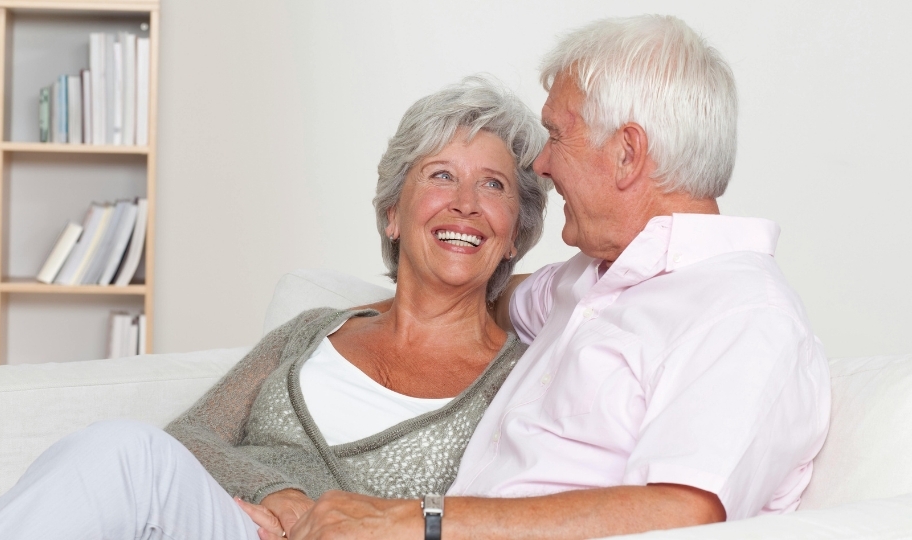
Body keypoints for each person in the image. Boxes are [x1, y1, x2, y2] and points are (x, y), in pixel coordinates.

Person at [284, 15, 832, 540]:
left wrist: (417, 522)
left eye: (556, 136)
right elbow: (483, 298)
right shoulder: (591, 280)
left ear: (626, 154)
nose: (541, 165)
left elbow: (684, 513)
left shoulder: (744, 315)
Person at [0, 76, 551, 540]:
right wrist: (280, 494)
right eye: (441, 175)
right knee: (123, 461)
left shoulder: (521, 375)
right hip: (234, 525)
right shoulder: (312, 333)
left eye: (494, 185)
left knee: (126, 455)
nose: (466, 205)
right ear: (393, 214)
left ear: (516, 231)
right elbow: (192, 436)